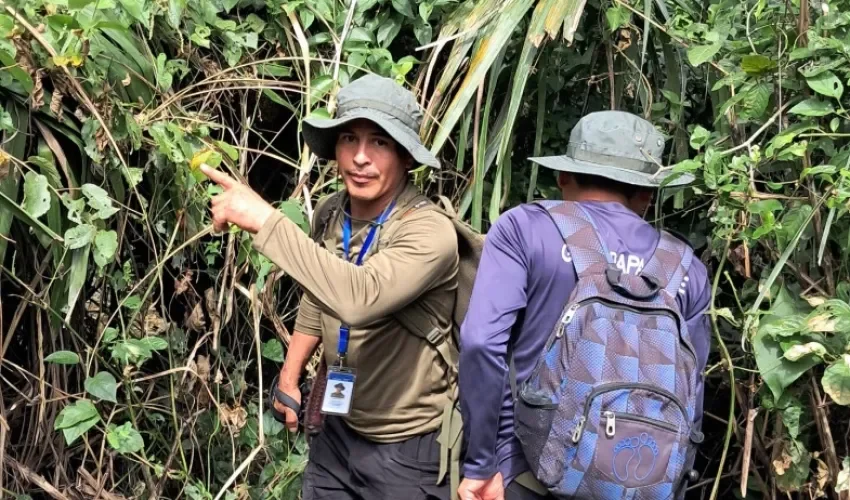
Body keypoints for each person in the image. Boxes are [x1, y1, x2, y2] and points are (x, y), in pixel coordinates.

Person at [201, 74, 461, 500]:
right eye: (349, 139)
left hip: (410, 446)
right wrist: (289, 376)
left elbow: (358, 297)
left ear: (405, 157)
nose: (360, 157)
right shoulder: (332, 212)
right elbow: (319, 292)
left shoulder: (429, 233)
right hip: (338, 431)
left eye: (379, 142)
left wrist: (266, 220)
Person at [456, 111, 711, 500]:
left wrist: (482, 464)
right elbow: (692, 389)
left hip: (524, 476)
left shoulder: (525, 229)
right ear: (647, 194)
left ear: (563, 176)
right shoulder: (686, 267)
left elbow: (481, 344)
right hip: (637, 485)